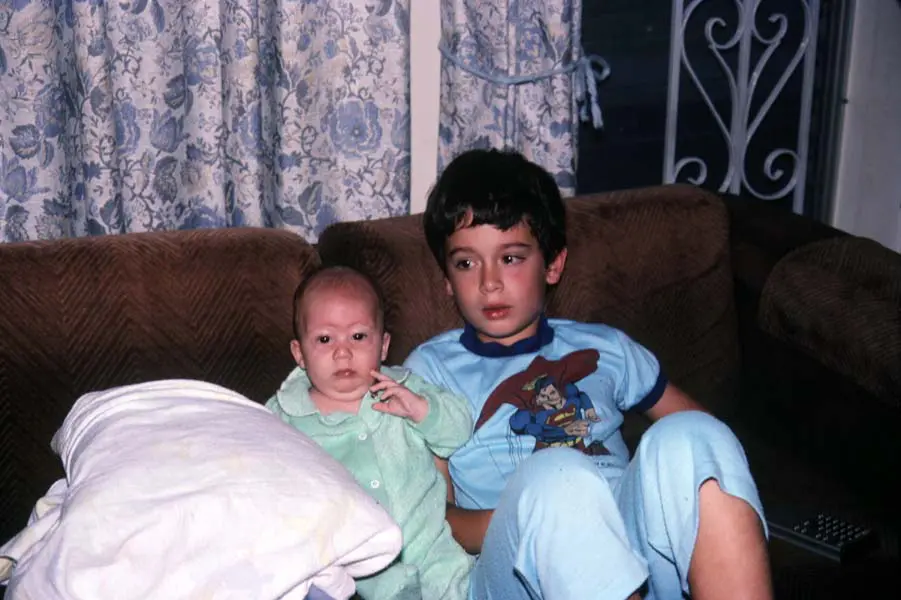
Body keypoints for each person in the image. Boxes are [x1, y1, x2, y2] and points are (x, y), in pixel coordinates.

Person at [403, 148, 773, 600]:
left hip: (628, 541)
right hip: (514, 562)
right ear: (446, 280)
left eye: (511, 258)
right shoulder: (428, 372)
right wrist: (534, 520)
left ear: (553, 264)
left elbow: (703, 440)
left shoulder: (605, 347)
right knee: (558, 477)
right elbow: (435, 518)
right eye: (466, 263)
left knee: (694, 433)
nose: (489, 282)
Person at [266, 266, 474, 600]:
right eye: (324, 339)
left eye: (358, 336)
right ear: (299, 353)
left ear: (383, 345)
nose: (343, 352)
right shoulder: (282, 415)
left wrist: (421, 410)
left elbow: (458, 431)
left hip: (433, 558)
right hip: (349, 577)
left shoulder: (403, 387)